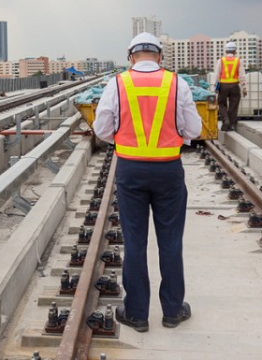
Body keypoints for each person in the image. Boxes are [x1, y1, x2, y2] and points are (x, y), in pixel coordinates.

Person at [93, 32, 202, 332]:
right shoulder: (177, 83)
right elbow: (194, 127)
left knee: (135, 241)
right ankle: (172, 310)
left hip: (130, 172)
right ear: (159, 57)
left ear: (130, 57)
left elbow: (102, 129)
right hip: (169, 171)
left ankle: (137, 313)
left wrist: (123, 137)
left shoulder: (117, 83)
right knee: (170, 241)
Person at [214, 42, 247, 131]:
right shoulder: (238, 61)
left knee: (221, 104)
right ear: (235, 51)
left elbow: (217, 74)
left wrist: (215, 87)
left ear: (226, 51)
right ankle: (231, 125)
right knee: (234, 105)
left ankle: (225, 120)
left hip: (223, 86)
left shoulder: (221, 61)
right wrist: (244, 88)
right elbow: (242, 75)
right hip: (234, 86)